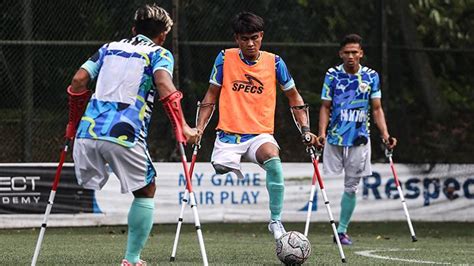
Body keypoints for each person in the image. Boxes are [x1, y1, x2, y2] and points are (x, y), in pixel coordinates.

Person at [65, 4, 196, 266]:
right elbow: (163, 84)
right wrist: (182, 126)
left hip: (86, 135)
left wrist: (73, 123)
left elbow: (79, 81)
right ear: (162, 35)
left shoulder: (108, 48)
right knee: (146, 189)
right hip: (123, 136)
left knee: (134, 186)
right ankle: (132, 259)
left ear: (134, 29)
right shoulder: (160, 53)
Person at [195, 11, 315, 241]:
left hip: (259, 134)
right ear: (236, 39)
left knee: (273, 160)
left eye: (255, 37)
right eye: (244, 38)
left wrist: (306, 130)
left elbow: (294, 97)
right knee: (219, 167)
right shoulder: (224, 58)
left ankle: (276, 221)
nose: (250, 43)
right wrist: (199, 129)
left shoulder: (275, 62)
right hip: (228, 134)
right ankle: (226, 161)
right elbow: (211, 94)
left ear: (261, 36)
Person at [313, 33, 397, 245]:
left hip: (360, 138)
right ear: (341, 54)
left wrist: (385, 135)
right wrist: (321, 133)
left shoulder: (371, 76)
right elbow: (325, 106)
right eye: (347, 52)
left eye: (354, 52)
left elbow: (377, 108)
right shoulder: (332, 75)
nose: (351, 56)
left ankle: (341, 231)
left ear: (361, 54)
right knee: (327, 183)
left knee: (351, 186)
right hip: (334, 137)